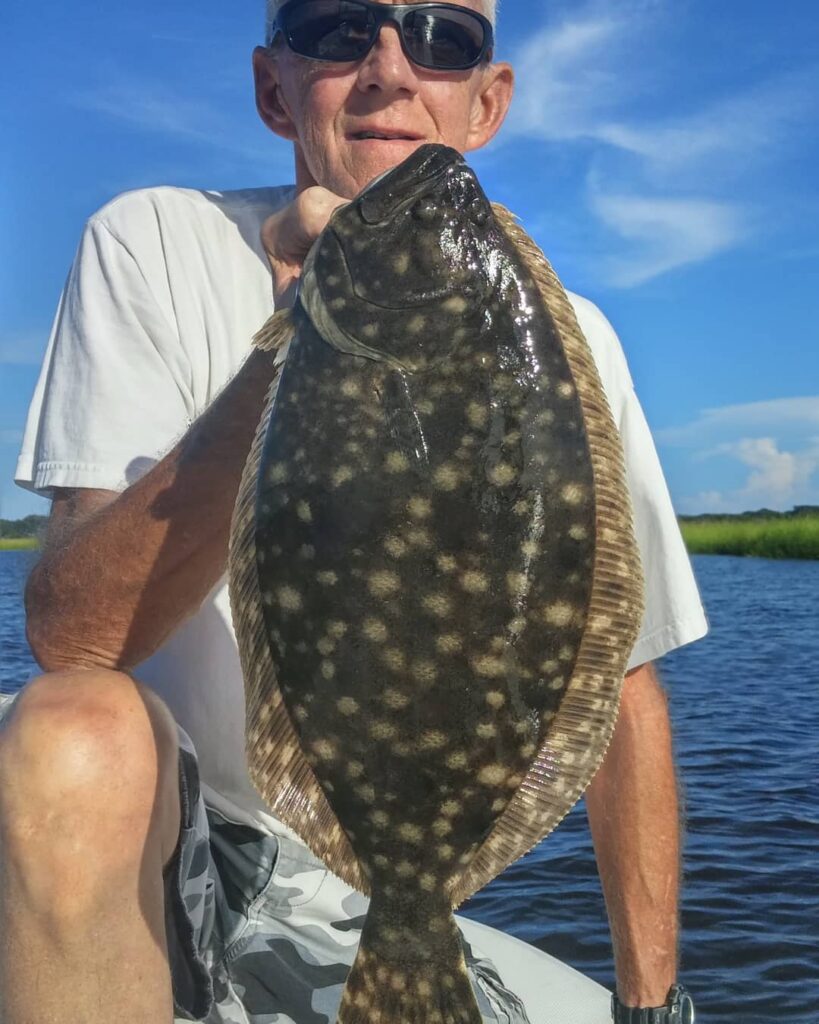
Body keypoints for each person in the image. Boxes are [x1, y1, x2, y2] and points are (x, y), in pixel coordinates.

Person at [0, 1, 707, 1022]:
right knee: (68, 728)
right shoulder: (153, 240)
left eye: (442, 38)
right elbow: (72, 638)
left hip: (387, 882)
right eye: (340, 29)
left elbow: (617, 675)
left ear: (485, 101)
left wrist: (651, 1004)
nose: (389, 67)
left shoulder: (568, 338)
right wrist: (288, 347)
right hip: (172, 845)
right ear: (272, 87)